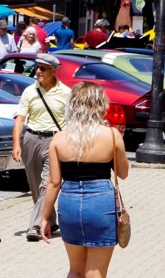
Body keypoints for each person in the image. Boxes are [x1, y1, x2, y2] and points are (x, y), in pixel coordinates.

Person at [40, 83, 129, 278]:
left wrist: (45, 217)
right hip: (101, 204)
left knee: (76, 270)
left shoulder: (59, 138)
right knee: (95, 271)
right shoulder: (111, 135)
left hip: (69, 201)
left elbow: (54, 183)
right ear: (100, 104)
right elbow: (123, 173)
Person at [12, 52, 71, 242]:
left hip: (55, 140)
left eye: (43, 68)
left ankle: (36, 225)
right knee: (36, 186)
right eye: (36, 67)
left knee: (48, 183)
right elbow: (20, 119)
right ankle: (51, 221)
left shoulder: (66, 93)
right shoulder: (30, 91)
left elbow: (70, 122)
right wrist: (16, 144)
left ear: (54, 71)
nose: (38, 71)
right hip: (31, 139)